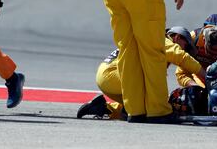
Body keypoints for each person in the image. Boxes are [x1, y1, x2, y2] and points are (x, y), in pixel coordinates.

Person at [77, 27, 206, 121]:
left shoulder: (152, 41)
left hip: (107, 75)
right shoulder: (161, 39)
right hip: (113, 75)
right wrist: (205, 75)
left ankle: (103, 108)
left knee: (139, 110)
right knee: (154, 102)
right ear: (176, 37)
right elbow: (180, 56)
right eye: (186, 46)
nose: (186, 50)